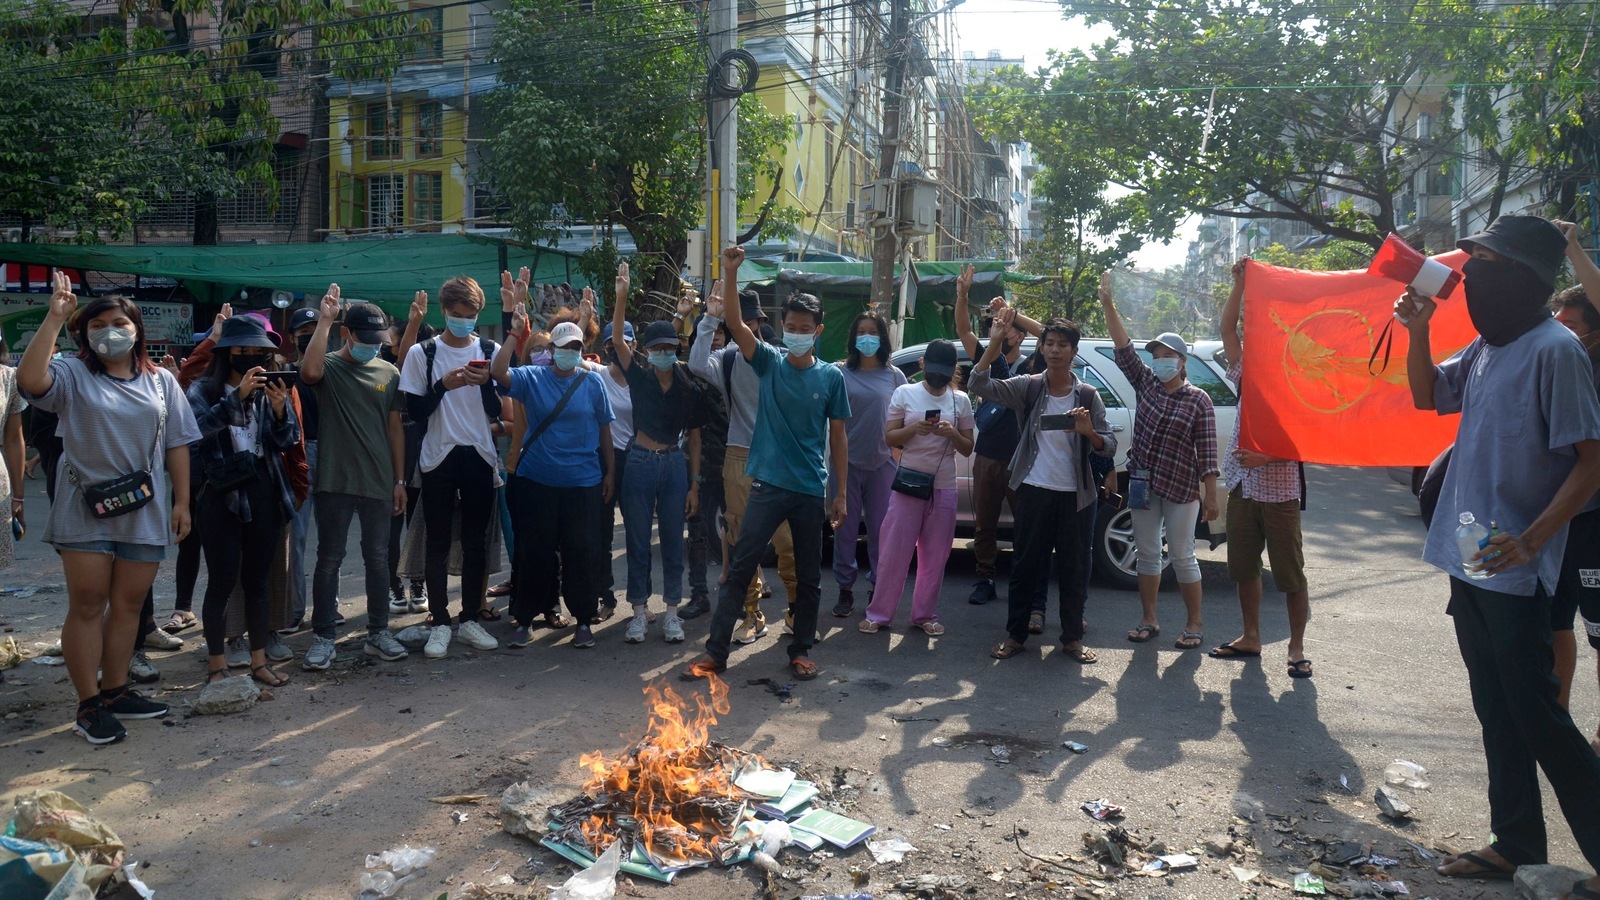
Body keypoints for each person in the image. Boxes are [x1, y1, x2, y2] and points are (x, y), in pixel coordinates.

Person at [1399, 215, 1600, 894]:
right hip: (1470, 557)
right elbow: (1428, 397)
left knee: (1538, 713)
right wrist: (1419, 330)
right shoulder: (1488, 348)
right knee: (1496, 707)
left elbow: (1592, 463)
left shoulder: (1556, 350)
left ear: (1523, 276)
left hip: (1519, 569)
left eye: (1485, 259)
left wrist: (1535, 538)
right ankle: (1514, 841)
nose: (1472, 271)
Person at [17, 276, 201, 744]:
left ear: (137, 328)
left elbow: (178, 443)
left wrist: (181, 502)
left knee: (129, 605)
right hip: (84, 504)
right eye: (97, 325)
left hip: (144, 506)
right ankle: (88, 704)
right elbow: (29, 381)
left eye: (119, 322)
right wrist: (56, 317)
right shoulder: (71, 374)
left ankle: (117, 691)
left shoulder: (162, 382)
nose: (109, 331)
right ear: (85, 335)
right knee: (88, 603)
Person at [684, 245, 849, 681]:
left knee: (809, 577)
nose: (796, 332)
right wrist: (730, 272)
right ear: (782, 327)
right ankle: (716, 653)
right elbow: (736, 324)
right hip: (766, 485)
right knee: (739, 567)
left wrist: (841, 494)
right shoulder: (769, 363)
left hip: (810, 489)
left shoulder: (831, 377)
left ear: (818, 331)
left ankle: (800, 649)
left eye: (804, 328)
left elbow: (838, 437)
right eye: (790, 326)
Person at [970, 312, 1115, 662]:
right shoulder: (1029, 386)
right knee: (1025, 565)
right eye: (1049, 344)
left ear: (1074, 352)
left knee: (1074, 568)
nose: (1055, 351)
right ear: (1041, 347)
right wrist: (994, 343)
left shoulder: (1088, 395)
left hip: (1076, 496)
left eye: (1062, 345)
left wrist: (1088, 433)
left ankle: (1072, 639)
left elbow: (1108, 445)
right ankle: (1015, 635)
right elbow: (978, 384)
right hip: (1033, 489)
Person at [1099, 273, 1219, 651]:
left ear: (1182, 362)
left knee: (1182, 555)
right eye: (1157, 356)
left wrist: (1211, 495)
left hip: (1183, 488)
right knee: (1148, 555)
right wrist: (1108, 304)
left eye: (1167, 356)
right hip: (1143, 484)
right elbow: (1123, 349)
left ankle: (1194, 624)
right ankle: (1149, 618)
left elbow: (1208, 452)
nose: (1160, 361)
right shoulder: (1146, 384)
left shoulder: (1198, 399)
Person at [296, 288, 411, 670]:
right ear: (347, 335)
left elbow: (395, 429)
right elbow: (308, 373)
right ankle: (324, 637)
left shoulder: (389, 372)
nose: (373, 348)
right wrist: (325, 320)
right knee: (329, 559)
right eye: (366, 341)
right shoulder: (329, 365)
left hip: (379, 482)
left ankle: (379, 633)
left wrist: (399, 481)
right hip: (335, 481)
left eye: (378, 342)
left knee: (378, 560)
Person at [1209, 259, 1313, 678]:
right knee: (1244, 568)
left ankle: (1296, 647)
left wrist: (1268, 456)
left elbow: (1310, 438)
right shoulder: (1247, 371)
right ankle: (1250, 636)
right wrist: (1240, 283)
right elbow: (1226, 328)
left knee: (1290, 575)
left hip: (1280, 490)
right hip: (1242, 487)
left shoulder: (1298, 379)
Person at [187, 316, 299, 688]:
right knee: (220, 582)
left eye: (259, 352)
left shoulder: (271, 389)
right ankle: (217, 665)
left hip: (264, 491)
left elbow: (286, 440)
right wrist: (237, 398)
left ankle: (258, 661)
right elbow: (196, 432)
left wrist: (281, 409)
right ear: (225, 353)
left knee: (258, 582)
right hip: (220, 496)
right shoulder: (203, 389)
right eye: (243, 350)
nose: (252, 357)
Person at [492, 306, 612, 650]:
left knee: (581, 553)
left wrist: (610, 474)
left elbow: (605, 430)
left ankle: (584, 620)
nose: (569, 354)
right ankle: (525, 618)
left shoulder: (592, 382)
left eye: (575, 348)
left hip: (583, 483)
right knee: (535, 552)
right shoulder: (532, 377)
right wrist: (514, 333)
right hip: (537, 482)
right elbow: (498, 372)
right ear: (552, 350)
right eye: (564, 348)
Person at [399, 277, 505, 658]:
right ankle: (440, 623)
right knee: (438, 540)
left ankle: (470, 619)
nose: (464, 322)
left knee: (477, 541)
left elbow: (499, 414)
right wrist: (442, 386)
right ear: (443, 311)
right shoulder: (422, 353)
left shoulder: (489, 349)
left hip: (479, 452)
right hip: (437, 455)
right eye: (457, 315)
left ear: (479, 313)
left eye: (471, 316)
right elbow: (414, 412)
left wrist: (486, 383)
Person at [689, 289, 798, 644]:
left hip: (779, 459)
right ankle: (753, 616)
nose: (746, 329)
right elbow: (694, 364)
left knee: (787, 543)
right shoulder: (728, 359)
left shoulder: (784, 359)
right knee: (741, 543)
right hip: (738, 457)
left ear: (762, 324)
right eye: (740, 323)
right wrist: (708, 319)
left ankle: (796, 610)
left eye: (751, 322)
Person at [611, 262, 707, 644]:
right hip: (638, 460)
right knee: (636, 539)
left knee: (671, 539)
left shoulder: (688, 384)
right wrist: (621, 298)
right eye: (657, 348)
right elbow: (618, 340)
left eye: (669, 347)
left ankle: (671, 613)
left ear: (677, 348)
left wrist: (695, 485)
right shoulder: (640, 376)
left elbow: (696, 438)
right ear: (647, 352)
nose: (663, 353)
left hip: (674, 465)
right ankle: (637, 611)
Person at [857, 339, 972, 635]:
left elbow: (968, 447)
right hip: (908, 483)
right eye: (933, 371)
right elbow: (890, 438)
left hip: (943, 487)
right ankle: (879, 613)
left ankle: (924, 615)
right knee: (894, 552)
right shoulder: (905, 393)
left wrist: (952, 435)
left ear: (952, 371)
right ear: (922, 366)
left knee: (936, 556)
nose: (937, 379)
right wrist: (914, 429)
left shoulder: (961, 400)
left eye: (944, 373)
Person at [1552, 219, 1600, 755]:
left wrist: (1572, 249)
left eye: (1572, 323)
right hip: (1556, 519)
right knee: (1552, 623)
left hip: (1595, 519)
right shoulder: (1558, 360)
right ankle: (1557, 716)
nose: (1561, 330)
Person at [831, 311, 907, 618]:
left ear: (882, 338)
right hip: (845, 465)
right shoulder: (839, 372)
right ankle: (845, 589)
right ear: (853, 338)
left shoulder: (894, 376)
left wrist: (898, 450)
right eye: (860, 331)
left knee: (881, 532)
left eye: (872, 331)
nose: (866, 337)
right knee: (844, 532)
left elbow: (906, 417)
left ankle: (878, 589)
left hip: (883, 464)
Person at [680, 310, 730, 621]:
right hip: (695, 462)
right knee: (696, 531)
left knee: (736, 527)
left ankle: (738, 594)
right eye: (706, 335)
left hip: (729, 461)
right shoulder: (686, 373)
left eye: (718, 334)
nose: (713, 340)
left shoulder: (732, 367)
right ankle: (699, 594)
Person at [281, 306, 323, 634]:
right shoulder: (284, 373)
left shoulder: (334, 368)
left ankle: (327, 608)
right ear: (293, 337)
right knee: (297, 536)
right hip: (298, 455)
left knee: (332, 539)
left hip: (333, 450)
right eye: (304, 330)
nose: (309, 334)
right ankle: (293, 611)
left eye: (316, 327)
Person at [596, 312, 635, 624]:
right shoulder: (598, 375)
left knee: (637, 535)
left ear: (633, 345)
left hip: (639, 461)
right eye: (609, 343)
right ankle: (606, 598)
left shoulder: (645, 377)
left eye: (621, 342)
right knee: (602, 534)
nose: (615, 348)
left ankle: (640, 602)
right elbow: (560, 355)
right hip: (606, 461)